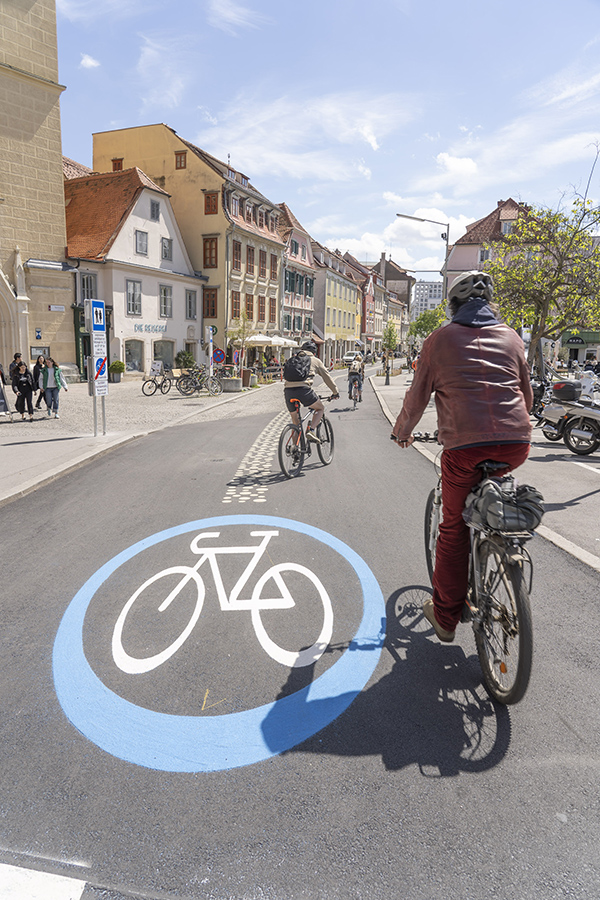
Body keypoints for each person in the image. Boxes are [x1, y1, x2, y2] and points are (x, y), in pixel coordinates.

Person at [390, 270, 533, 644]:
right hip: (517, 442)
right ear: (489, 305)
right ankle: (495, 551)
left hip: (465, 447)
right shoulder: (512, 338)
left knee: (453, 529)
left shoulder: (440, 340)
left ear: (452, 306)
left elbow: (417, 397)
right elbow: (526, 396)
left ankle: (446, 618)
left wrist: (402, 432)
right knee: (488, 499)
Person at [283, 340, 339, 443]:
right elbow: (327, 378)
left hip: (288, 391)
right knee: (320, 408)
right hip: (303, 391)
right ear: (314, 352)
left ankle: (294, 449)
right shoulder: (315, 360)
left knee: (296, 423)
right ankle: (311, 430)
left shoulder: (293, 359)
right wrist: (335, 392)